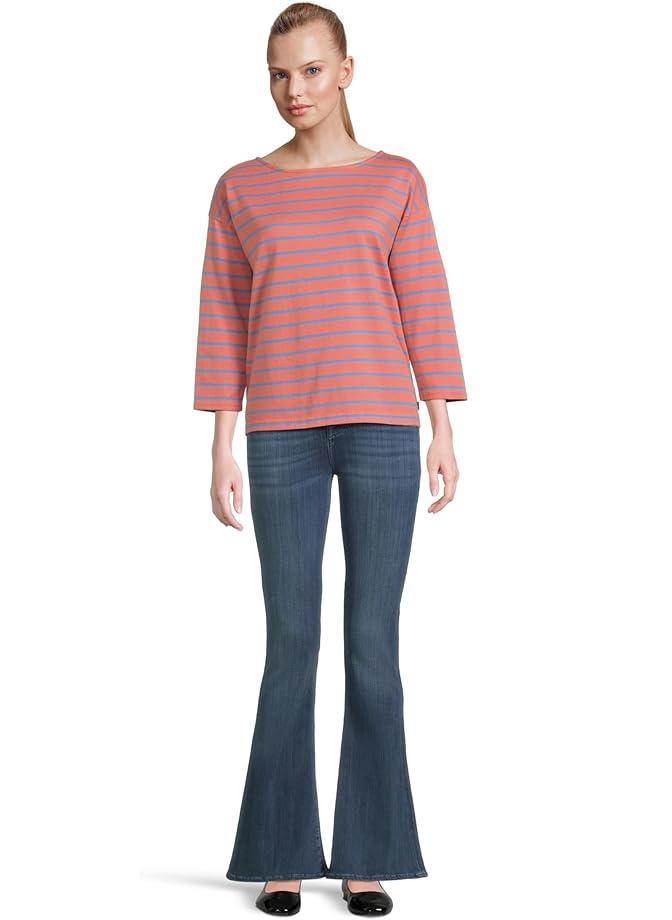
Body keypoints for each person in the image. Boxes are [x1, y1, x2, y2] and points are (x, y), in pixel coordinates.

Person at [192, 3, 467, 914]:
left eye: (311, 70)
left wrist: (442, 425)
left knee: (372, 644)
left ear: (347, 69)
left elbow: (423, 300)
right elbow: (223, 319)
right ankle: (280, 849)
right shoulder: (240, 189)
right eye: (279, 73)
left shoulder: (397, 180)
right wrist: (220, 443)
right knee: (291, 643)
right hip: (279, 434)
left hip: (383, 427)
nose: (294, 90)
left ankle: (368, 852)